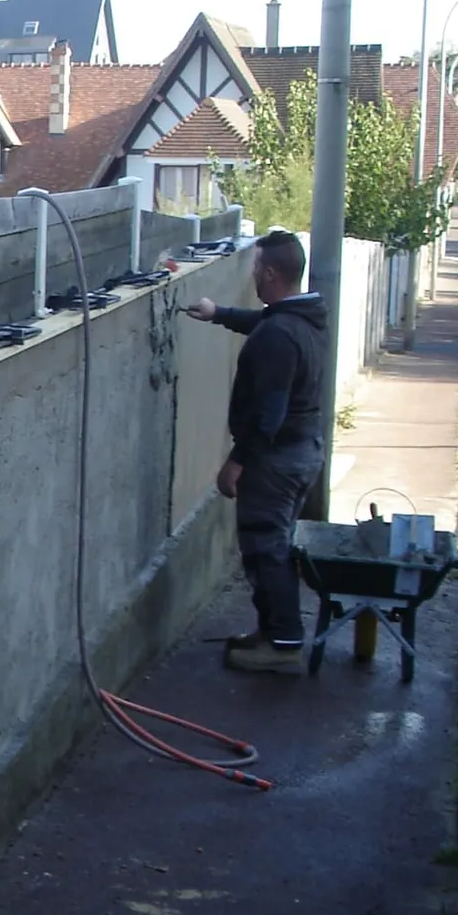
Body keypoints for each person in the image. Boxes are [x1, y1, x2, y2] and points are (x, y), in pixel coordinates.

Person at [185, 230, 327, 676]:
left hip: (276, 460)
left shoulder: (280, 337)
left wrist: (235, 463)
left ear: (269, 273)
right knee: (273, 546)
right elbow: (264, 324)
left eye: (255, 268)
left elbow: (268, 414)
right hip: (301, 451)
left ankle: (283, 644)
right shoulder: (304, 319)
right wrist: (218, 314)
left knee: (267, 550)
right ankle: (272, 632)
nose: (252, 277)